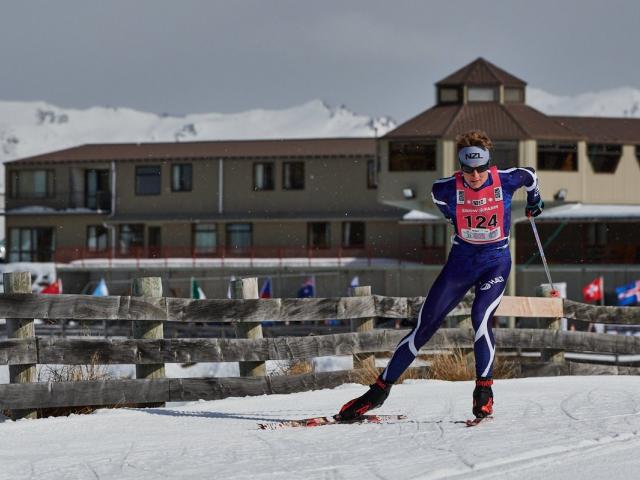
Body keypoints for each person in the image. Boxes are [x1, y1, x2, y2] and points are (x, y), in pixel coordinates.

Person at [338, 130, 543, 421]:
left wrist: (535, 199)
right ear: (460, 167)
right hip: (460, 264)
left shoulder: (507, 179)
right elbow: (447, 210)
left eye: (481, 168)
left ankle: (484, 393)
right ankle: (377, 392)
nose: (475, 175)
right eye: (468, 170)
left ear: (489, 164)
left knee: (480, 317)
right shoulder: (443, 189)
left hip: (495, 263)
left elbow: (531, 176)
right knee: (423, 327)